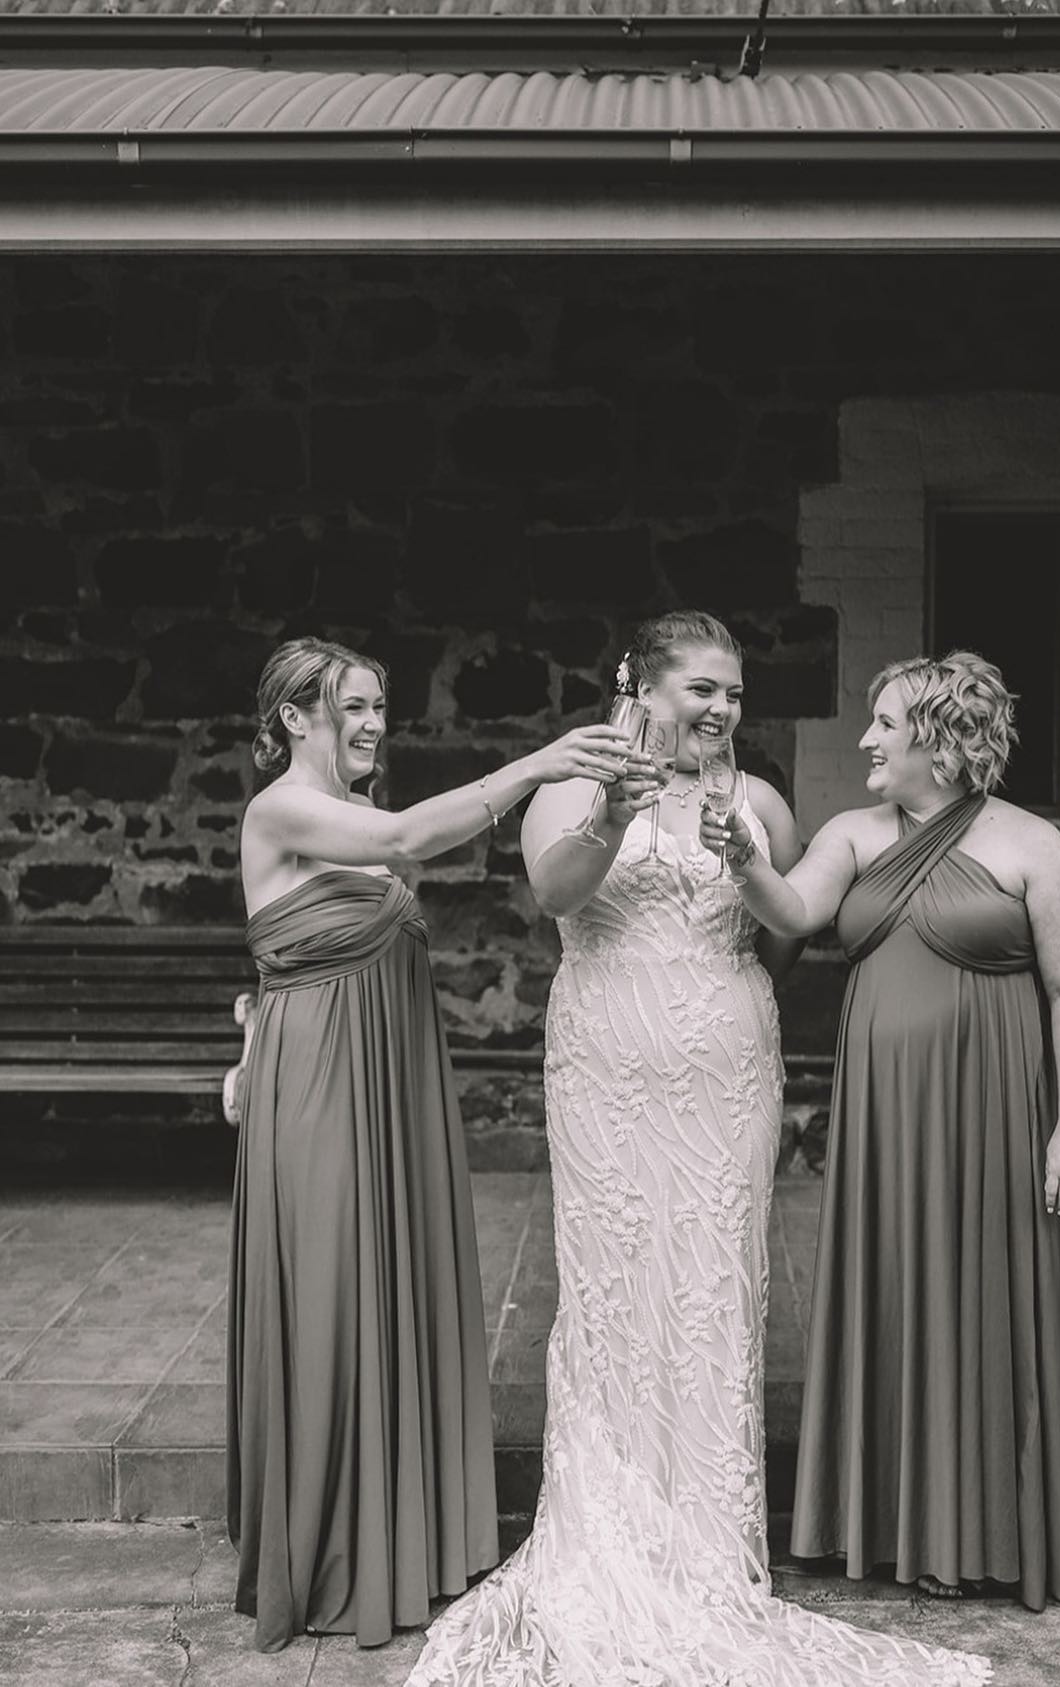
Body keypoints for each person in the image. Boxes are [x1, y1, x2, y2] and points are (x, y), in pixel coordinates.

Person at [407, 612, 991, 1687]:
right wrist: (611, 817)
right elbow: (554, 893)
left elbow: (780, 930)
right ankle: (612, 1526)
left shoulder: (759, 800)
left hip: (724, 1057)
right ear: (640, 682)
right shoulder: (571, 786)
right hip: (607, 1057)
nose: (721, 709)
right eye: (701, 689)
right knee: (615, 1286)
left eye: (732, 691)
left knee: (714, 1286)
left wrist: (737, 872)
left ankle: (710, 1542)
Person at [700, 648, 1060, 1610]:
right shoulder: (850, 831)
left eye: (885, 723)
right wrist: (747, 861)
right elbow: (792, 910)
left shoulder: (1030, 845)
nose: (867, 738)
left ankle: (992, 1526)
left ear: (945, 743)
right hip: (887, 1111)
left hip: (995, 1105)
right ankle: (887, 1522)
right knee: (894, 1279)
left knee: (991, 1288)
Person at [230, 634, 636, 1652]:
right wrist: (536, 764)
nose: (372, 723)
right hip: (325, 1086)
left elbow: (291, 945)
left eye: (378, 705)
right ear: (293, 718)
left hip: (390, 1082)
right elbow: (409, 842)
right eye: (351, 706)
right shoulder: (281, 806)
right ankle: (324, 1546)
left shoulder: (352, 814)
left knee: (384, 1285)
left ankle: (393, 1535)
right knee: (330, 1290)